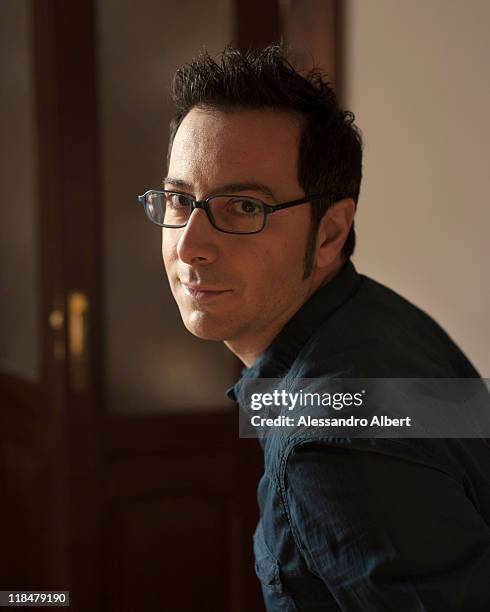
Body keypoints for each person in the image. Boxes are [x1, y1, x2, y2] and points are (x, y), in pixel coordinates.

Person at [138, 45, 490, 611]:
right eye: (180, 199)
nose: (189, 245)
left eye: (244, 208)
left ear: (329, 234)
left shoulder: (329, 445)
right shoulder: (374, 314)